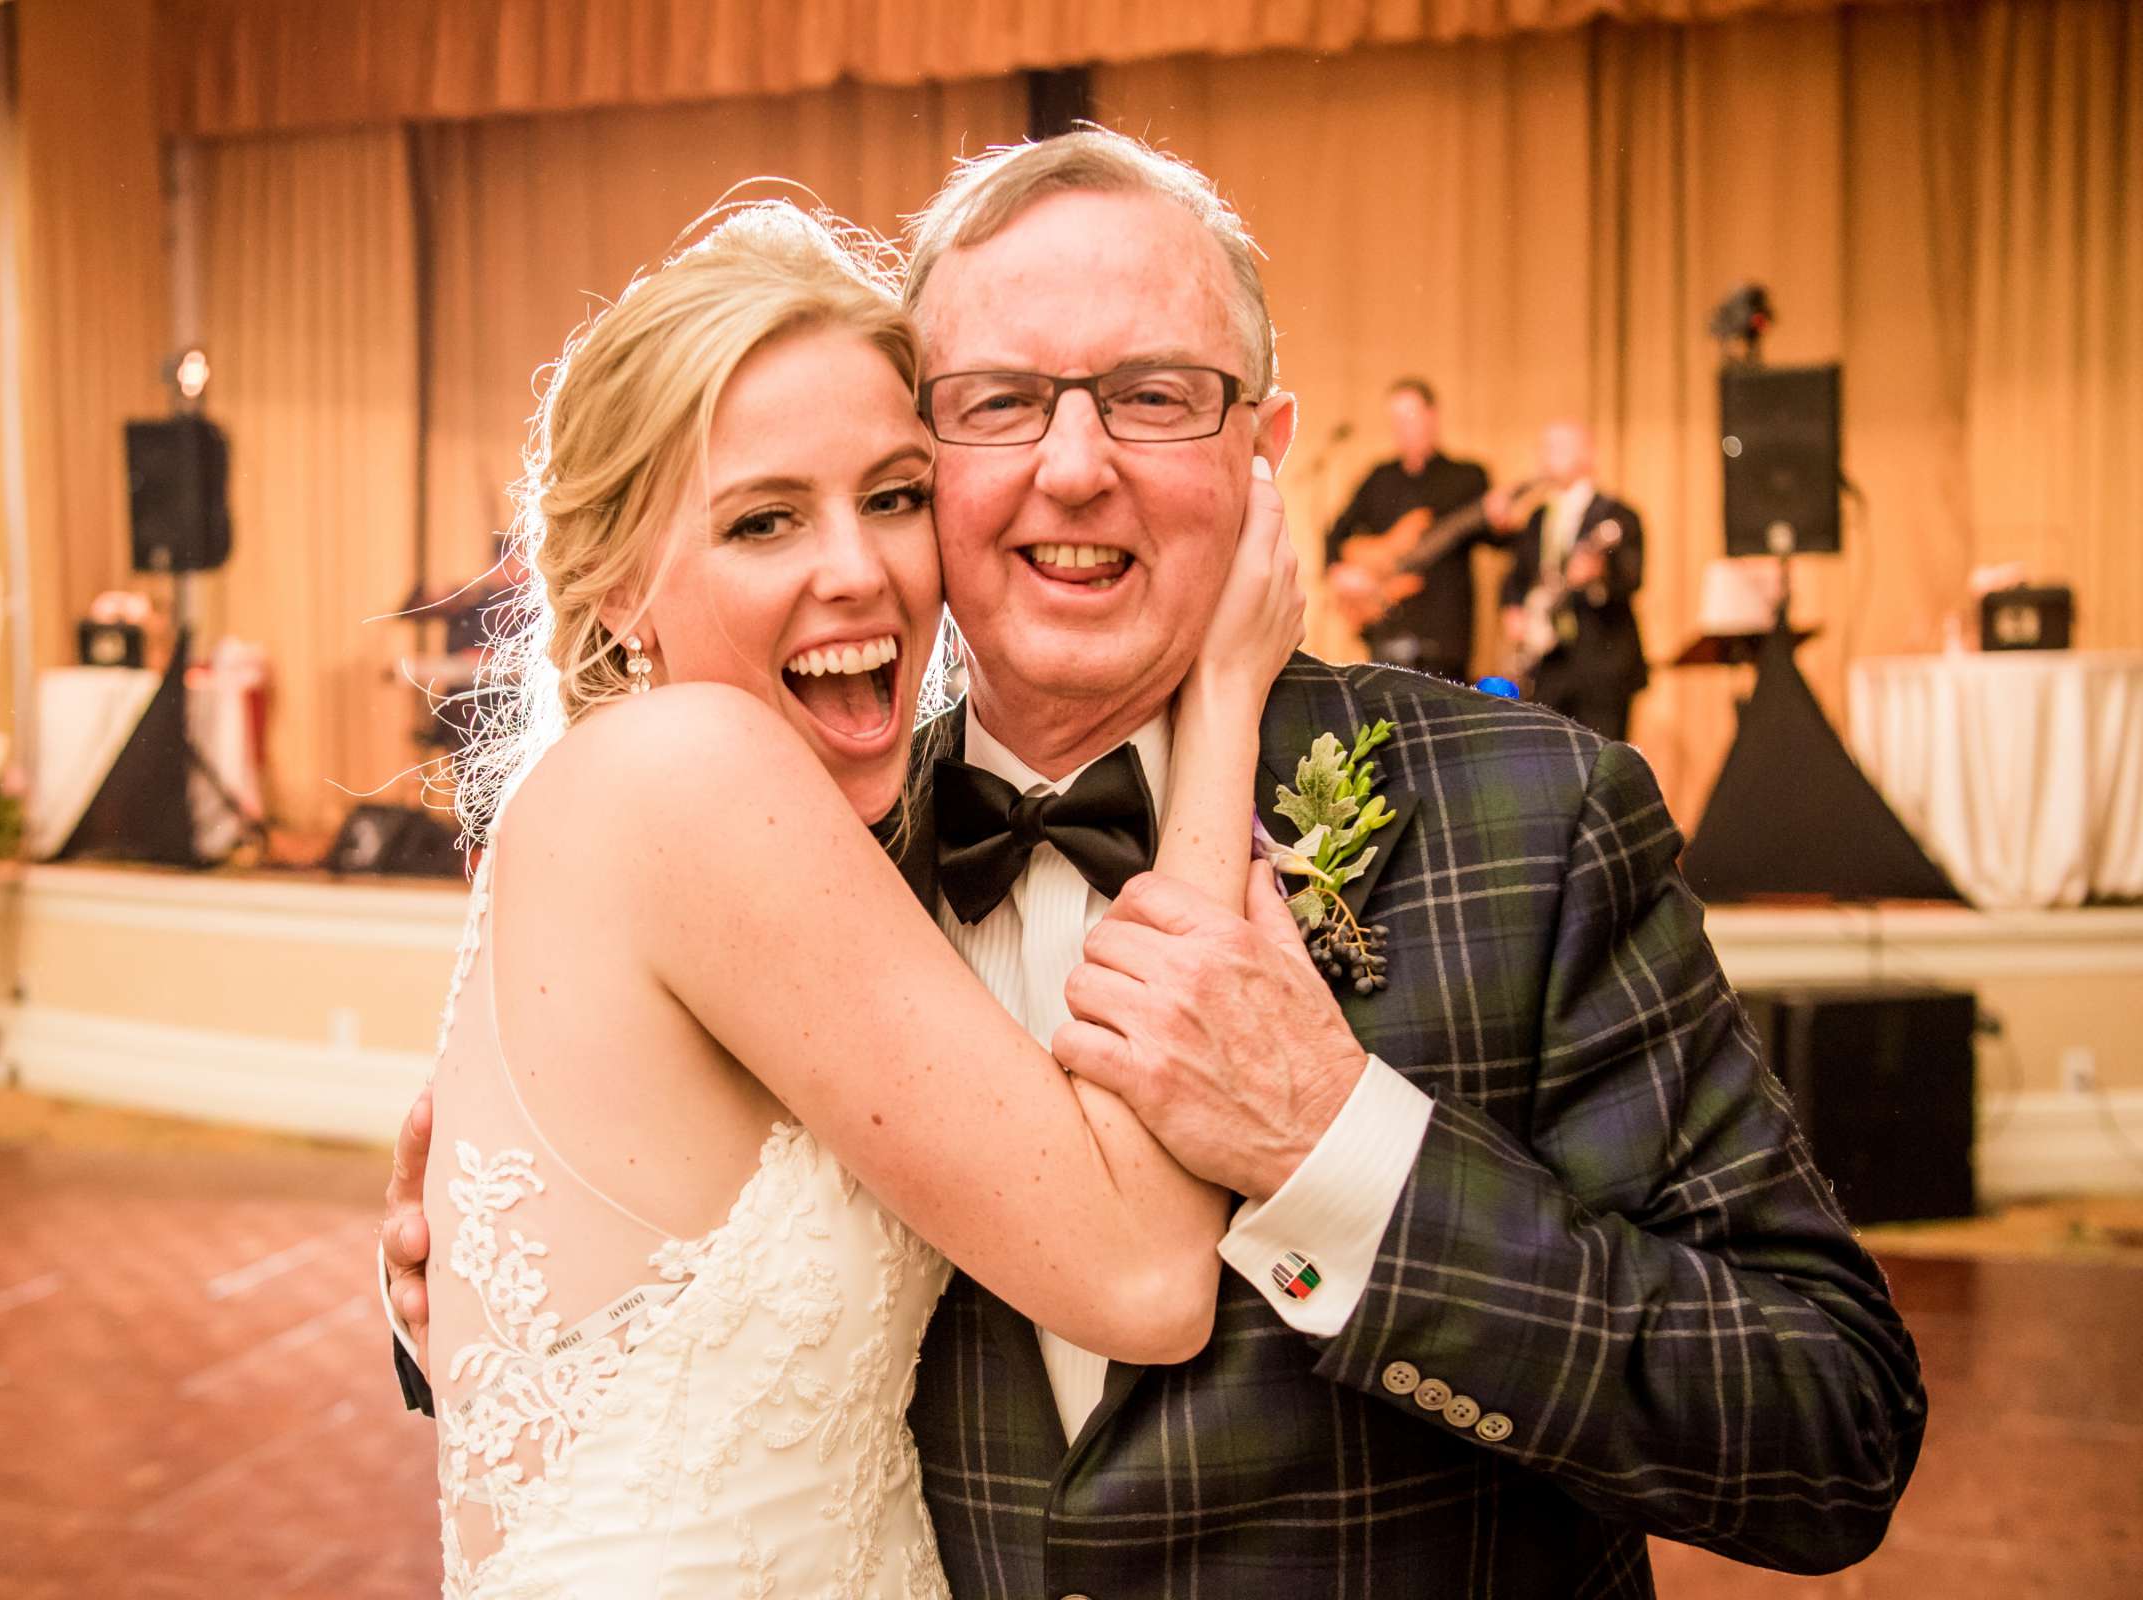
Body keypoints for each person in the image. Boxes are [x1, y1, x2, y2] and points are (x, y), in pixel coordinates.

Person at [390, 132, 1926, 1595]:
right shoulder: (812, 840)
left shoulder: (1535, 817)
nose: (1071, 469)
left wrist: (1340, 1151)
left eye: (1152, 397)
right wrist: (452, 1273)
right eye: (995, 404)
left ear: (1264, 453)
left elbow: (1827, 1431)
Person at [407, 201, 1303, 1596]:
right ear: (611, 584)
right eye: (765, 520)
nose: (859, 568)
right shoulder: (690, 773)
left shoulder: (667, 811)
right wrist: (1231, 695)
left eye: (893, 496)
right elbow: (1142, 1275)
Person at [1321, 377, 1502, 680]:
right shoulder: (1380, 478)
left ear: (1432, 416)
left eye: (1410, 416)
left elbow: (1497, 539)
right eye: (1396, 419)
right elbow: (1336, 534)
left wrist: (1502, 521)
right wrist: (1341, 574)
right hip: (1387, 625)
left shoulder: (1466, 477)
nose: (1403, 427)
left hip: (1445, 631)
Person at [1490, 419, 1649, 739]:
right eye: (1545, 447)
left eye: (1560, 447)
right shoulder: (1538, 519)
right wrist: (1513, 609)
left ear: (1588, 455)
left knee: (1602, 762)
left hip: (1602, 662)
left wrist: (1598, 576)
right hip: (1548, 664)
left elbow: (1632, 579)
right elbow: (1516, 577)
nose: (1549, 455)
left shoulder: (1618, 516)